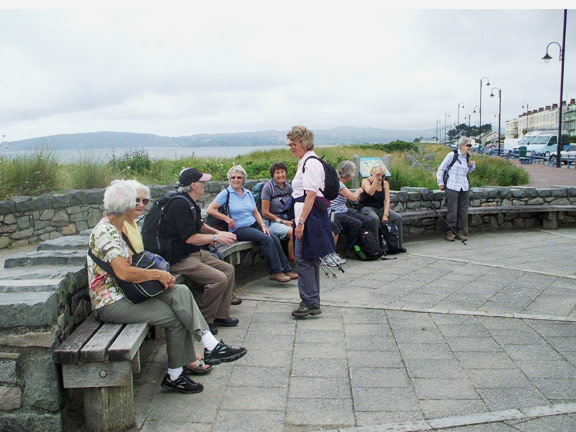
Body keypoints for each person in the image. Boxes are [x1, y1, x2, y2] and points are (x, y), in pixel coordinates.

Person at [87, 180, 246, 394]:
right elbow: (124, 271)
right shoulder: (107, 233)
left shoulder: (118, 227)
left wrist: (161, 276)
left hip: (127, 292)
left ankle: (211, 346)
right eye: (135, 201)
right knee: (174, 317)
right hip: (111, 302)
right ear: (125, 206)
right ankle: (175, 375)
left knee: (180, 291)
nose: (140, 206)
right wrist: (157, 274)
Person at [163, 168, 241, 334]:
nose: (205, 184)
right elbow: (190, 238)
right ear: (193, 185)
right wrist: (215, 239)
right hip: (180, 259)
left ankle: (221, 315)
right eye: (202, 181)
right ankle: (204, 321)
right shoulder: (179, 205)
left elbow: (200, 225)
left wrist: (217, 233)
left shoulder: (191, 202)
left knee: (228, 269)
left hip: (195, 253)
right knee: (218, 278)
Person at [207, 165, 298, 283]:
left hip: (253, 224)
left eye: (239, 177)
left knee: (273, 238)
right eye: (233, 177)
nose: (236, 180)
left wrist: (263, 226)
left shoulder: (247, 193)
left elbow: (255, 212)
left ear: (243, 179)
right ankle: (275, 272)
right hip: (239, 228)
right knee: (266, 239)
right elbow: (210, 209)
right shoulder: (226, 193)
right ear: (229, 179)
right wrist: (227, 219)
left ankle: (287, 269)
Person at [288, 125, 334, 318]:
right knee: (309, 258)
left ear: (303, 143)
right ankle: (312, 299)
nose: (291, 147)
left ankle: (309, 301)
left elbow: (311, 195)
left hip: (309, 216)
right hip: (309, 215)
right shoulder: (306, 162)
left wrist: (301, 223)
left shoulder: (310, 163)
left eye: (294, 143)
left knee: (304, 259)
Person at [328, 160, 374, 259]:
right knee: (357, 223)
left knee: (368, 221)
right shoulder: (338, 184)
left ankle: (365, 245)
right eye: (353, 172)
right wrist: (359, 190)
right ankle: (349, 248)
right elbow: (352, 197)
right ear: (348, 173)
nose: (353, 175)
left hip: (343, 209)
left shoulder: (341, 183)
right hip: (335, 212)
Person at [358, 163, 407, 253]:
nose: (381, 177)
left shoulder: (385, 184)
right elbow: (370, 192)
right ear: (372, 173)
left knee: (397, 217)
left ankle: (397, 244)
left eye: (383, 175)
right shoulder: (365, 181)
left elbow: (387, 200)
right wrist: (375, 181)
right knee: (374, 219)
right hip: (367, 207)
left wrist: (385, 214)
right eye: (379, 175)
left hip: (380, 208)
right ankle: (376, 246)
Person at [436, 136, 476, 241]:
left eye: (470, 145)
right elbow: (441, 168)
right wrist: (440, 182)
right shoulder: (452, 155)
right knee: (452, 211)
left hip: (464, 187)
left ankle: (461, 232)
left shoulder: (467, 157)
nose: (470, 147)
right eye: (468, 145)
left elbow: (466, 172)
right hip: (452, 186)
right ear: (462, 145)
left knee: (463, 211)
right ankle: (450, 232)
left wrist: (472, 165)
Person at [260, 162, 295, 262]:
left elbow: (293, 206)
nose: (280, 175)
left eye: (282, 172)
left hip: (287, 220)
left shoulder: (289, 187)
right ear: (273, 175)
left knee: (303, 230)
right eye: (277, 172)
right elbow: (265, 212)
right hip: (272, 223)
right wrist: (282, 222)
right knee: (293, 233)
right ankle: (293, 261)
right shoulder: (268, 188)